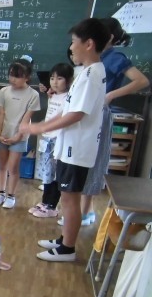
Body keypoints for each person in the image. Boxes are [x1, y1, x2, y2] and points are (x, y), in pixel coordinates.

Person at [20, 18, 110, 262]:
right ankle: (63, 240)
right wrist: (42, 126)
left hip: (77, 149)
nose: (71, 47)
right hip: (70, 146)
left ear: (89, 44)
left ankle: (67, 249)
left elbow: (75, 114)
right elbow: (68, 108)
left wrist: (40, 127)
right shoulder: (85, 72)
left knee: (70, 199)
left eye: (73, 42)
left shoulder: (92, 74)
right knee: (67, 196)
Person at [76, 17, 150, 225]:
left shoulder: (114, 56)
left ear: (108, 37)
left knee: (93, 162)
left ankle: (85, 213)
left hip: (100, 115)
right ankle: (86, 211)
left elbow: (142, 80)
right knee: (83, 161)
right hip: (87, 114)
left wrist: (111, 95)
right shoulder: (94, 57)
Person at [0, 56, 40, 209]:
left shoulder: (33, 95)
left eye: (17, 76)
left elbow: (26, 119)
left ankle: (11, 196)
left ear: (27, 77)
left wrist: (17, 137)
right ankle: (1, 193)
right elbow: (0, 114)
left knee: (13, 168)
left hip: (19, 137)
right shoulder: (4, 91)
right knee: (2, 165)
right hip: (3, 135)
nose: (12, 79)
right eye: (11, 75)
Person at [29, 63, 75, 218]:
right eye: (52, 78)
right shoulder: (53, 95)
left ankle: (51, 206)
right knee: (46, 172)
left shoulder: (69, 98)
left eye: (59, 78)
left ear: (69, 80)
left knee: (55, 174)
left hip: (58, 140)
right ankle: (44, 202)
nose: (55, 82)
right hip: (47, 138)